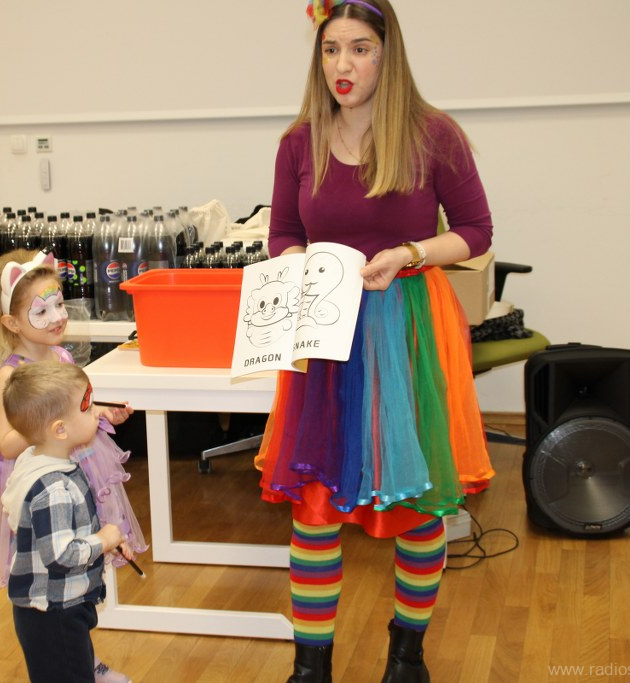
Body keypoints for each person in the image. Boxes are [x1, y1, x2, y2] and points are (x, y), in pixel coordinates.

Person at [257, 1, 495, 681]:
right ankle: (311, 666)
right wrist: (299, 263)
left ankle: (406, 656)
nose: (343, 65)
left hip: (406, 329)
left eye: (360, 48)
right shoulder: (298, 142)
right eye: (331, 49)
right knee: (314, 505)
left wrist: (411, 253)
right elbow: (282, 233)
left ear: (388, 54)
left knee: (416, 501)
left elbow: (476, 232)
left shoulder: (434, 135)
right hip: (325, 331)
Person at [0, 248, 144, 683]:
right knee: (58, 567)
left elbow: (73, 409)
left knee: (82, 573)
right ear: (12, 323)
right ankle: (75, 660)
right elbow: (6, 443)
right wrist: (46, 425)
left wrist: (98, 413)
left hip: (78, 471)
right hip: (44, 481)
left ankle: (84, 657)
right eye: (41, 310)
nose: (56, 316)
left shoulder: (62, 357)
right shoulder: (11, 375)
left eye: (58, 303)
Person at [0, 361, 135, 683]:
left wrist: (106, 543)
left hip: (59, 606)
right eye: (87, 409)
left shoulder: (39, 460)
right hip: (54, 612)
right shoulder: (53, 488)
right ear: (60, 430)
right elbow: (61, 555)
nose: (96, 413)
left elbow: (64, 532)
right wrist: (103, 539)